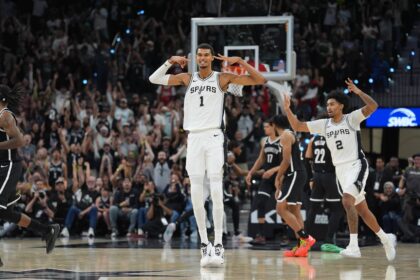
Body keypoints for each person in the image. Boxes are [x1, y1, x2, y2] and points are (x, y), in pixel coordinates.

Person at [149, 43, 266, 267]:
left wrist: (240, 63)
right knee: (196, 192)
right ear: (196, 58)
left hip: (214, 137)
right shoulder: (187, 78)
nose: (202, 58)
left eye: (206, 55)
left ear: (212, 58)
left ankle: (219, 244)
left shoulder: (222, 78)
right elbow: (154, 79)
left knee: (215, 188)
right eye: (199, 55)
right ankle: (205, 245)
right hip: (193, 138)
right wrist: (171, 61)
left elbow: (259, 80)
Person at [282, 78, 396, 261]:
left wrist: (358, 92)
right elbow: (297, 126)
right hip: (340, 171)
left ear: (341, 106)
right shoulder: (324, 125)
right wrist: (287, 109)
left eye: (332, 104)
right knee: (363, 210)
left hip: (356, 165)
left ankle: (353, 246)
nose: (329, 107)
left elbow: (374, 106)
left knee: (347, 201)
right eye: (327, 104)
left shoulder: (352, 118)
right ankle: (385, 239)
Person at [0, 85, 60, 266]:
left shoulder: (5, 116)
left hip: (10, 165)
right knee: (7, 214)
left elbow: (19, 141)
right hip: (1, 167)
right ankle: (47, 230)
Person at [271, 115, 315, 257]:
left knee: (280, 208)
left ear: (274, 125)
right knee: (294, 210)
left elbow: (286, 161)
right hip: (296, 174)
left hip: (295, 174)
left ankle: (305, 238)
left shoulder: (285, 135)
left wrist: (278, 177)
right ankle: (301, 247)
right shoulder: (289, 134)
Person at [305, 133, 344, 246]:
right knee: (337, 210)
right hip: (330, 176)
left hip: (317, 176)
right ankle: (328, 240)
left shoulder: (313, 139)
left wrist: (311, 178)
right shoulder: (334, 137)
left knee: (313, 210)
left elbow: (307, 159)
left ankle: (304, 240)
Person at [246, 119, 280, 245]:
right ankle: (261, 235)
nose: (265, 129)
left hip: (279, 177)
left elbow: (285, 162)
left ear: (273, 127)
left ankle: (284, 234)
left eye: (267, 127)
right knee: (260, 203)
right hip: (267, 177)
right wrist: (251, 172)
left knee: (283, 207)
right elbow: (260, 160)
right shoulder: (265, 141)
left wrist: (272, 171)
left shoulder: (283, 140)